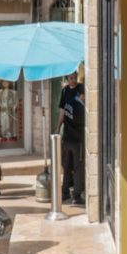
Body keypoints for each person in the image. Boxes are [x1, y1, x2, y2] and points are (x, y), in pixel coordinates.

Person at [57, 70, 86, 206]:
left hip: (79, 135)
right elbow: (62, 111)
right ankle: (65, 192)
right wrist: (57, 129)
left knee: (78, 166)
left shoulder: (82, 89)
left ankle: (76, 195)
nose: (73, 80)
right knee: (67, 166)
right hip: (68, 136)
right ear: (67, 78)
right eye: (70, 78)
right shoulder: (64, 92)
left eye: (74, 77)